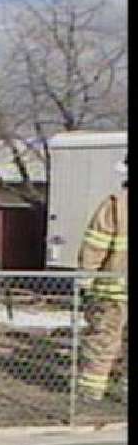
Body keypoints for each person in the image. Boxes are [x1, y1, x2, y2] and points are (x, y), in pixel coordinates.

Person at [77, 157, 128, 401]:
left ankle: (91, 391)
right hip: (115, 291)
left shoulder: (116, 205)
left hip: (112, 291)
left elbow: (94, 246)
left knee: (103, 340)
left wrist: (85, 280)